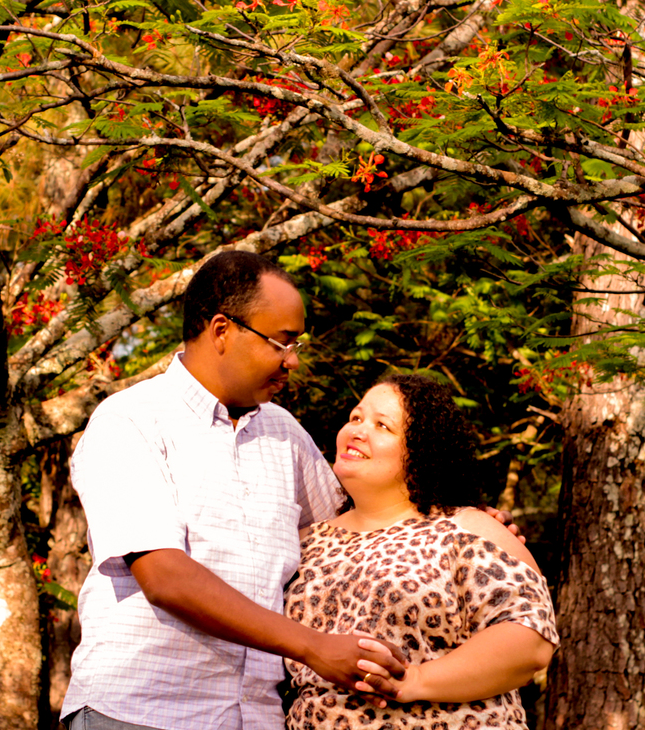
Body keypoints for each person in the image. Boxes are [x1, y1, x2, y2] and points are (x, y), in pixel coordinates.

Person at [60, 251, 411, 730]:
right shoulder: (131, 420)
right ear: (222, 330)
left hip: (254, 718)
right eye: (281, 343)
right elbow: (166, 578)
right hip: (138, 714)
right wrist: (311, 646)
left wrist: (462, 523)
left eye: (297, 345)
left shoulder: (284, 433)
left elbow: (355, 528)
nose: (293, 361)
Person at [284, 374, 559, 730]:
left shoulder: (467, 529)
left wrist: (414, 681)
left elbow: (529, 641)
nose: (357, 430)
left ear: (420, 450)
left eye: (382, 425)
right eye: (355, 417)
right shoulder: (306, 542)